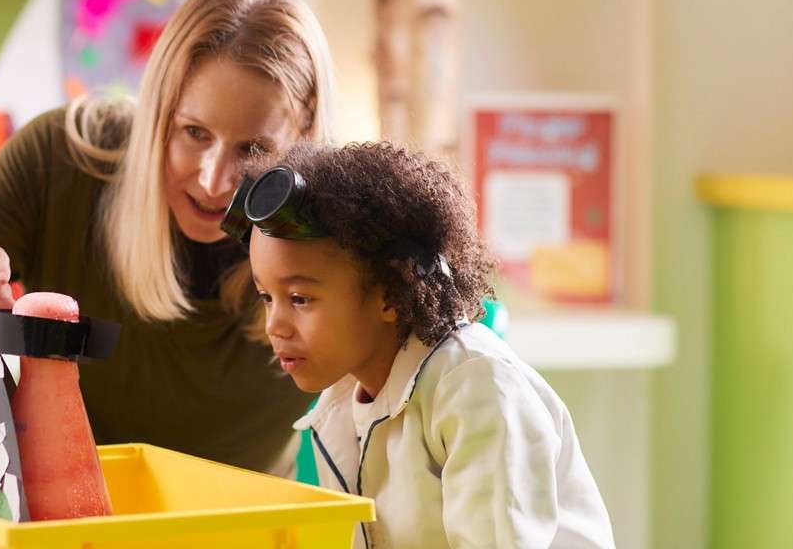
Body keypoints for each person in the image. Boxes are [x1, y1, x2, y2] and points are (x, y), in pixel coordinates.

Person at [0, 0, 336, 474]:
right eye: (193, 132)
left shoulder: (339, 217)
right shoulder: (64, 160)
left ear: (305, 135)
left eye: (253, 150)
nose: (214, 180)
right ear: (156, 113)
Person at [237, 142, 615, 547]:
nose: (274, 325)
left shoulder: (476, 387)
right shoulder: (344, 400)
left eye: (299, 299)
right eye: (266, 297)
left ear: (389, 293)